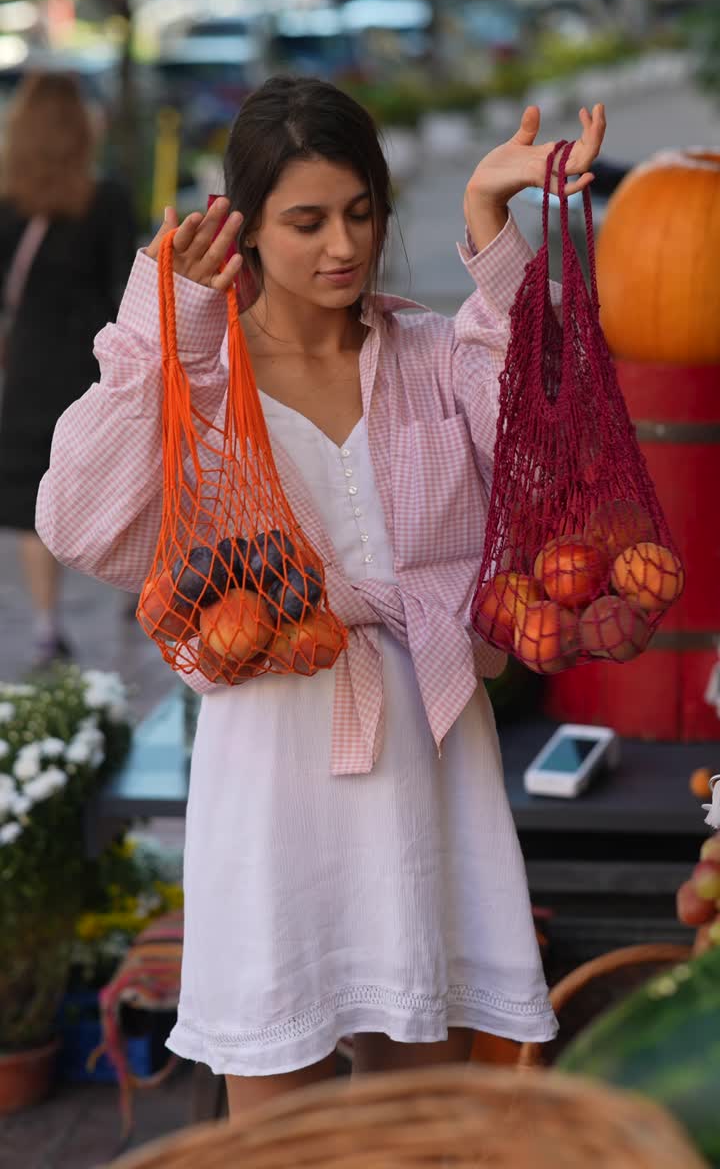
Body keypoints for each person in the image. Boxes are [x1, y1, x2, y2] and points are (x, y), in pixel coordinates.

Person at [36, 76, 606, 1115]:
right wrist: (165, 326)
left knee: (412, 1103)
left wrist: (491, 232)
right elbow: (77, 520)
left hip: (431, 744)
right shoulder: (201, 377)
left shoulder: (432, 353)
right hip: (276, 753)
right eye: (306, 221)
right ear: (245, 230)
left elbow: (550, 444)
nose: (341, 245)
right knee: (276, 1093)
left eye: (359, 212)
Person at [0, 72, 136, 668]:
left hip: (29, 362)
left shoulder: (5, 202)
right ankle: (134, 592)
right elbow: (124, 287)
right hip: (94, 359)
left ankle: (46, 625)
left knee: (36, 489)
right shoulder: (107, 199)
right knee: (121, 477)